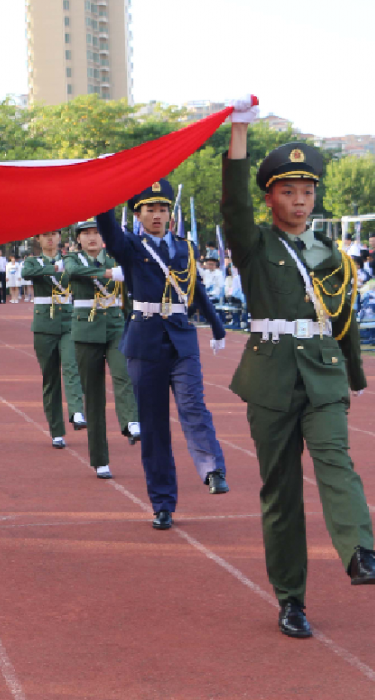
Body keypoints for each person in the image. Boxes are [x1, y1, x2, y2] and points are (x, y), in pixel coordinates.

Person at [221, 103, 375, 640]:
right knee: (282, 492)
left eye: (307, 192)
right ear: (271, 197)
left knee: (336, 459)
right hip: (270, 376)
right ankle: (291, 599)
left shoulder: (331, 253)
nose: (298, 201)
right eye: (287, 192)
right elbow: (233, 205)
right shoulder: (254, 243)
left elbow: (343, 316)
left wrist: (354, 376)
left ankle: (360, 551)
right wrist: (239, 135)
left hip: (323, 372)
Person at [97, 179, 229, 532]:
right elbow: (108, 229)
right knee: (154, 427)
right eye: (150, 209)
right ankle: (162, 503)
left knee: (193, 403)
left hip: (182, 337)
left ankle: (212, 469)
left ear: (171, 213)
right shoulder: (128, 246)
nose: (157, 215)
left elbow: (195, 289)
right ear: (137, 214)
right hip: (145, 340)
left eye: (162, 209)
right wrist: (105, 186)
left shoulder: (185, 247)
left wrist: (216, 326)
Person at [66, 220, 139, 477]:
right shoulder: (73, 260)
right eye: (86, 234)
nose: (92, 237)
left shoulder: (114, 257)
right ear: (79, 239)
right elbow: (74, 273)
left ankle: (130, 421)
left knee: (124, 373)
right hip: (86, 332)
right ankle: (100, 459)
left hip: (115, 327)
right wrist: (108, 274)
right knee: (94, 396)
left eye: (96, 232)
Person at [21, 231, 87, 447]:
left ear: (60, 238)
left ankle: (77, 412)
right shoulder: (33, 261)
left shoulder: (71, 260)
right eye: (45, 235)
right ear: (37, 239)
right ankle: (56, 429)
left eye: (54, 234)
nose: (50, 238)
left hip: (69, 320)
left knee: (71, 366)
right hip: (44, 324)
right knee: (50, 378)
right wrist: (56, 268)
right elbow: (26, 273)